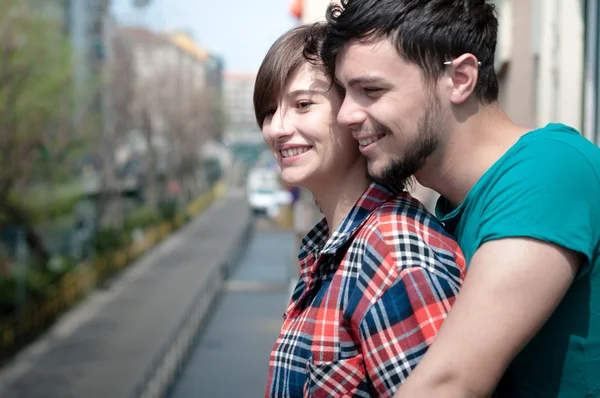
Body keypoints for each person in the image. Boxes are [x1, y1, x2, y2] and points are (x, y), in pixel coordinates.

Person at [314, 0, 600, 397]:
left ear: (461, 78)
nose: (345, 115)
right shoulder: (446, 209)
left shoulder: (549, 170)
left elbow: (451, 384)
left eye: (371, 90)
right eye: (345, 93)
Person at [254, 23, 466, 397]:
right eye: (270, 111)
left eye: (303, 105)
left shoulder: (393, 252)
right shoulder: (333, 249)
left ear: (354, 111)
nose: (278, 128)